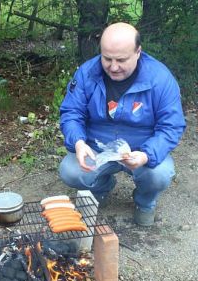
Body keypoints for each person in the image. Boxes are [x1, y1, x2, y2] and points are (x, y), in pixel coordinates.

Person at [58, 22, 186, 226]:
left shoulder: (160, 79)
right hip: (96, 146)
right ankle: (100, 187)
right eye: (106, 58)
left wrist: (147, 155)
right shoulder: (87, 73)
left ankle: (145, 202)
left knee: (159, 174)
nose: (113, 67)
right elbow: (72, 112)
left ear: (138, 52)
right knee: (70, 171)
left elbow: (171, 126)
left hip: (140, 147)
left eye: (121, 60)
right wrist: (79, 143)